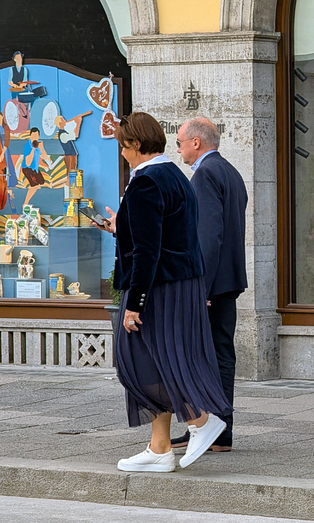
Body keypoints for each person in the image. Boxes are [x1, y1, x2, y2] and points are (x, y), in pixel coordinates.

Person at [94, 112, 231, 472]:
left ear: (136, 145)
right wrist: (120, 228)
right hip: (180, 283)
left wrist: (134, 304)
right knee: (156, 360)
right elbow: (166, 236)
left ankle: (202, 421)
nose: (122, 153)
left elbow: (148, 251)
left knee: (142, 360)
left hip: (159, 288)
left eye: (123, 146)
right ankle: (159, 447)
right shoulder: (174, 174)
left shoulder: (145, 183)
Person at [170, 117, 248, 452]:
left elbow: (208, 236)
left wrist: (199, 288)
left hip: (212, 283)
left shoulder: (204, 174)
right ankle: (218, 429)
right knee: (220, 354)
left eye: (180, 142)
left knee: (203, 355)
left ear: (196, 142)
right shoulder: (229, 171)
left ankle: (210, 428)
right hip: (228, 279)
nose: (178, 149)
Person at [21, 128, 50, 206]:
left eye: (36, 136)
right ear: (30, 136)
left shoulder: (38, 144)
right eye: (33, 136)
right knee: (35, 185)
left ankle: (33, 187)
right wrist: (33, 149)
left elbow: (45, 157)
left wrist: (41, 148)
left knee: (41, 182)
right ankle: (25, 203)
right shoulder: (28, 146)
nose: (35, 138)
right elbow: (27, 163)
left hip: (35, 169)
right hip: (27, 168)